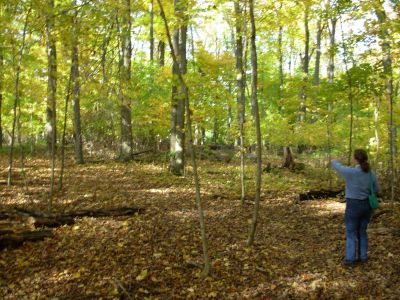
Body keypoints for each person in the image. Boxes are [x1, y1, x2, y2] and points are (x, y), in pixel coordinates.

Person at [331, 149, 379, 266]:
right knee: (362, 231)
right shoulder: (371, 173)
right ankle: (363, 257)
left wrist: (333, 160)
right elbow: (376, 189)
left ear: (355, 159)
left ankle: (350, 259)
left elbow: (338, 167)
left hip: (353, 205)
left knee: (351, 232)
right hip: (366, 206)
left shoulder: (350, 172)